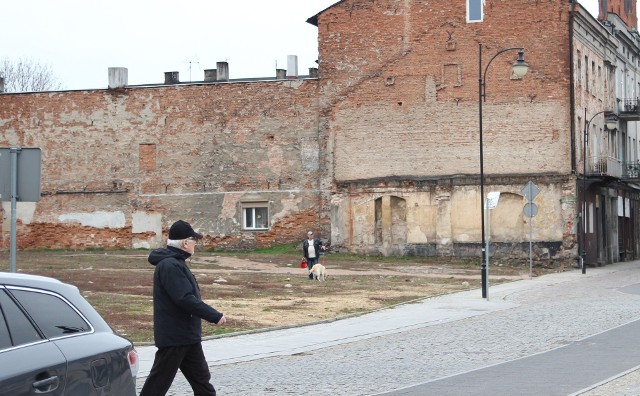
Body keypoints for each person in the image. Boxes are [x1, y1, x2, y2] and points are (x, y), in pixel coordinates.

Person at [139, 220, 226, 396]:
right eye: (194, 241)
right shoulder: (170, 266)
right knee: (157, 385)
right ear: (186, 243)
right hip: (175, 338)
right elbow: (185, 299)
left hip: (188, 337)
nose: (195, 245)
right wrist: (214, 315)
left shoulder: (176, 263)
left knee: (202, 382)